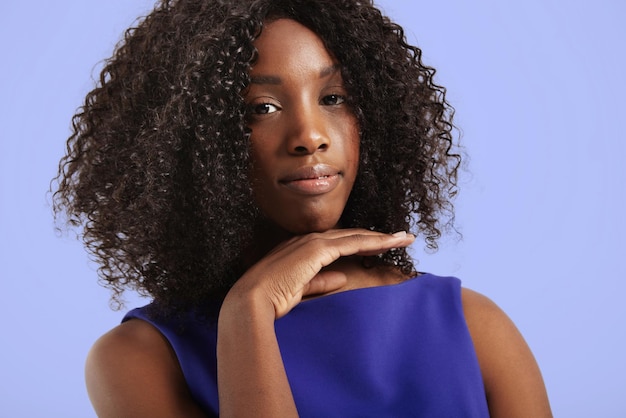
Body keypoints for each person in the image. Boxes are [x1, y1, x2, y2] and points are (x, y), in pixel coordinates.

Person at [53, 0, 552, 416]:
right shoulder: (143, 359)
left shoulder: (472, 325)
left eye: (334, 97)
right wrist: (248, 314)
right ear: (185, 143)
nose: (310, 136)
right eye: (260, 108)